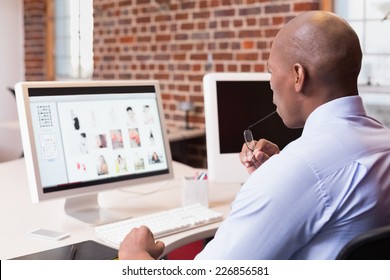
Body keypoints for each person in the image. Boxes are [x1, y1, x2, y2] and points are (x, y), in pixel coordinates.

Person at [118, 11, 390, 260]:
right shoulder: (382, 142)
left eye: (271, 70)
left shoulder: (299, 170)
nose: (270, 81)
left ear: (298, 76)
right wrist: (274, 178)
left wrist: (135, 257)